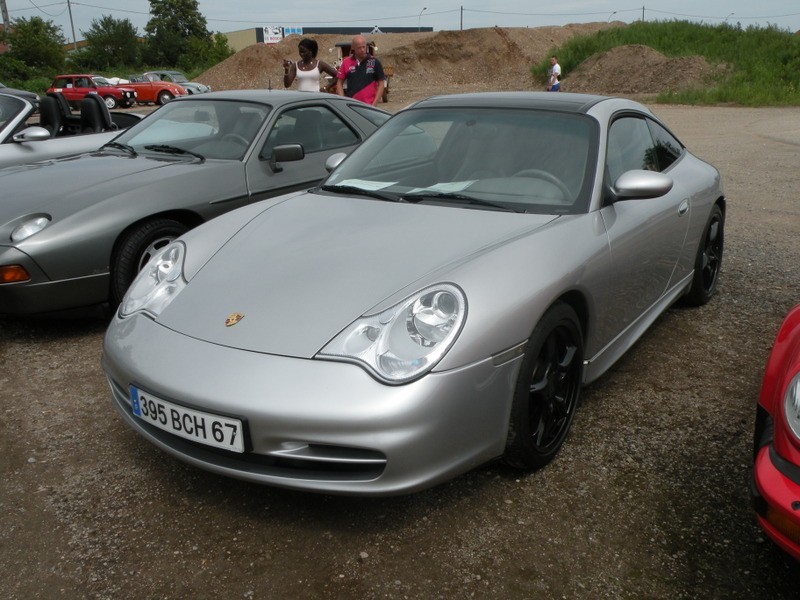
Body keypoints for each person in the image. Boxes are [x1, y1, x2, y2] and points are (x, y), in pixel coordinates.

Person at [335, 35, 385, 106]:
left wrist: (374, 104)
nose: (362, 50)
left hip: (369, 106)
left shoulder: (374, 62)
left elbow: (381, 84)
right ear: (353, 48)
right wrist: (343, 101)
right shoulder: (346, 62)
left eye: (363, 47)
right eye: (359, 48)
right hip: (352, 106)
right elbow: (339, 83)